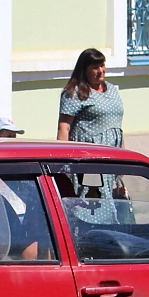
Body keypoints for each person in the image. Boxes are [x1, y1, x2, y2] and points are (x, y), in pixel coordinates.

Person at [57, 48, 126, 202]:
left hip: (112, 158)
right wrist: (62, 164)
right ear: (84, 70)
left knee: (114, 201)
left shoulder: (112, 90)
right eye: (95, 67)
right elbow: (64, 127)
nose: (101, 71)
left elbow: (117, 127)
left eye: (102, 65)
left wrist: (123, 155)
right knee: (90, 202)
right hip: (89, 160)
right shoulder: (74, 93)